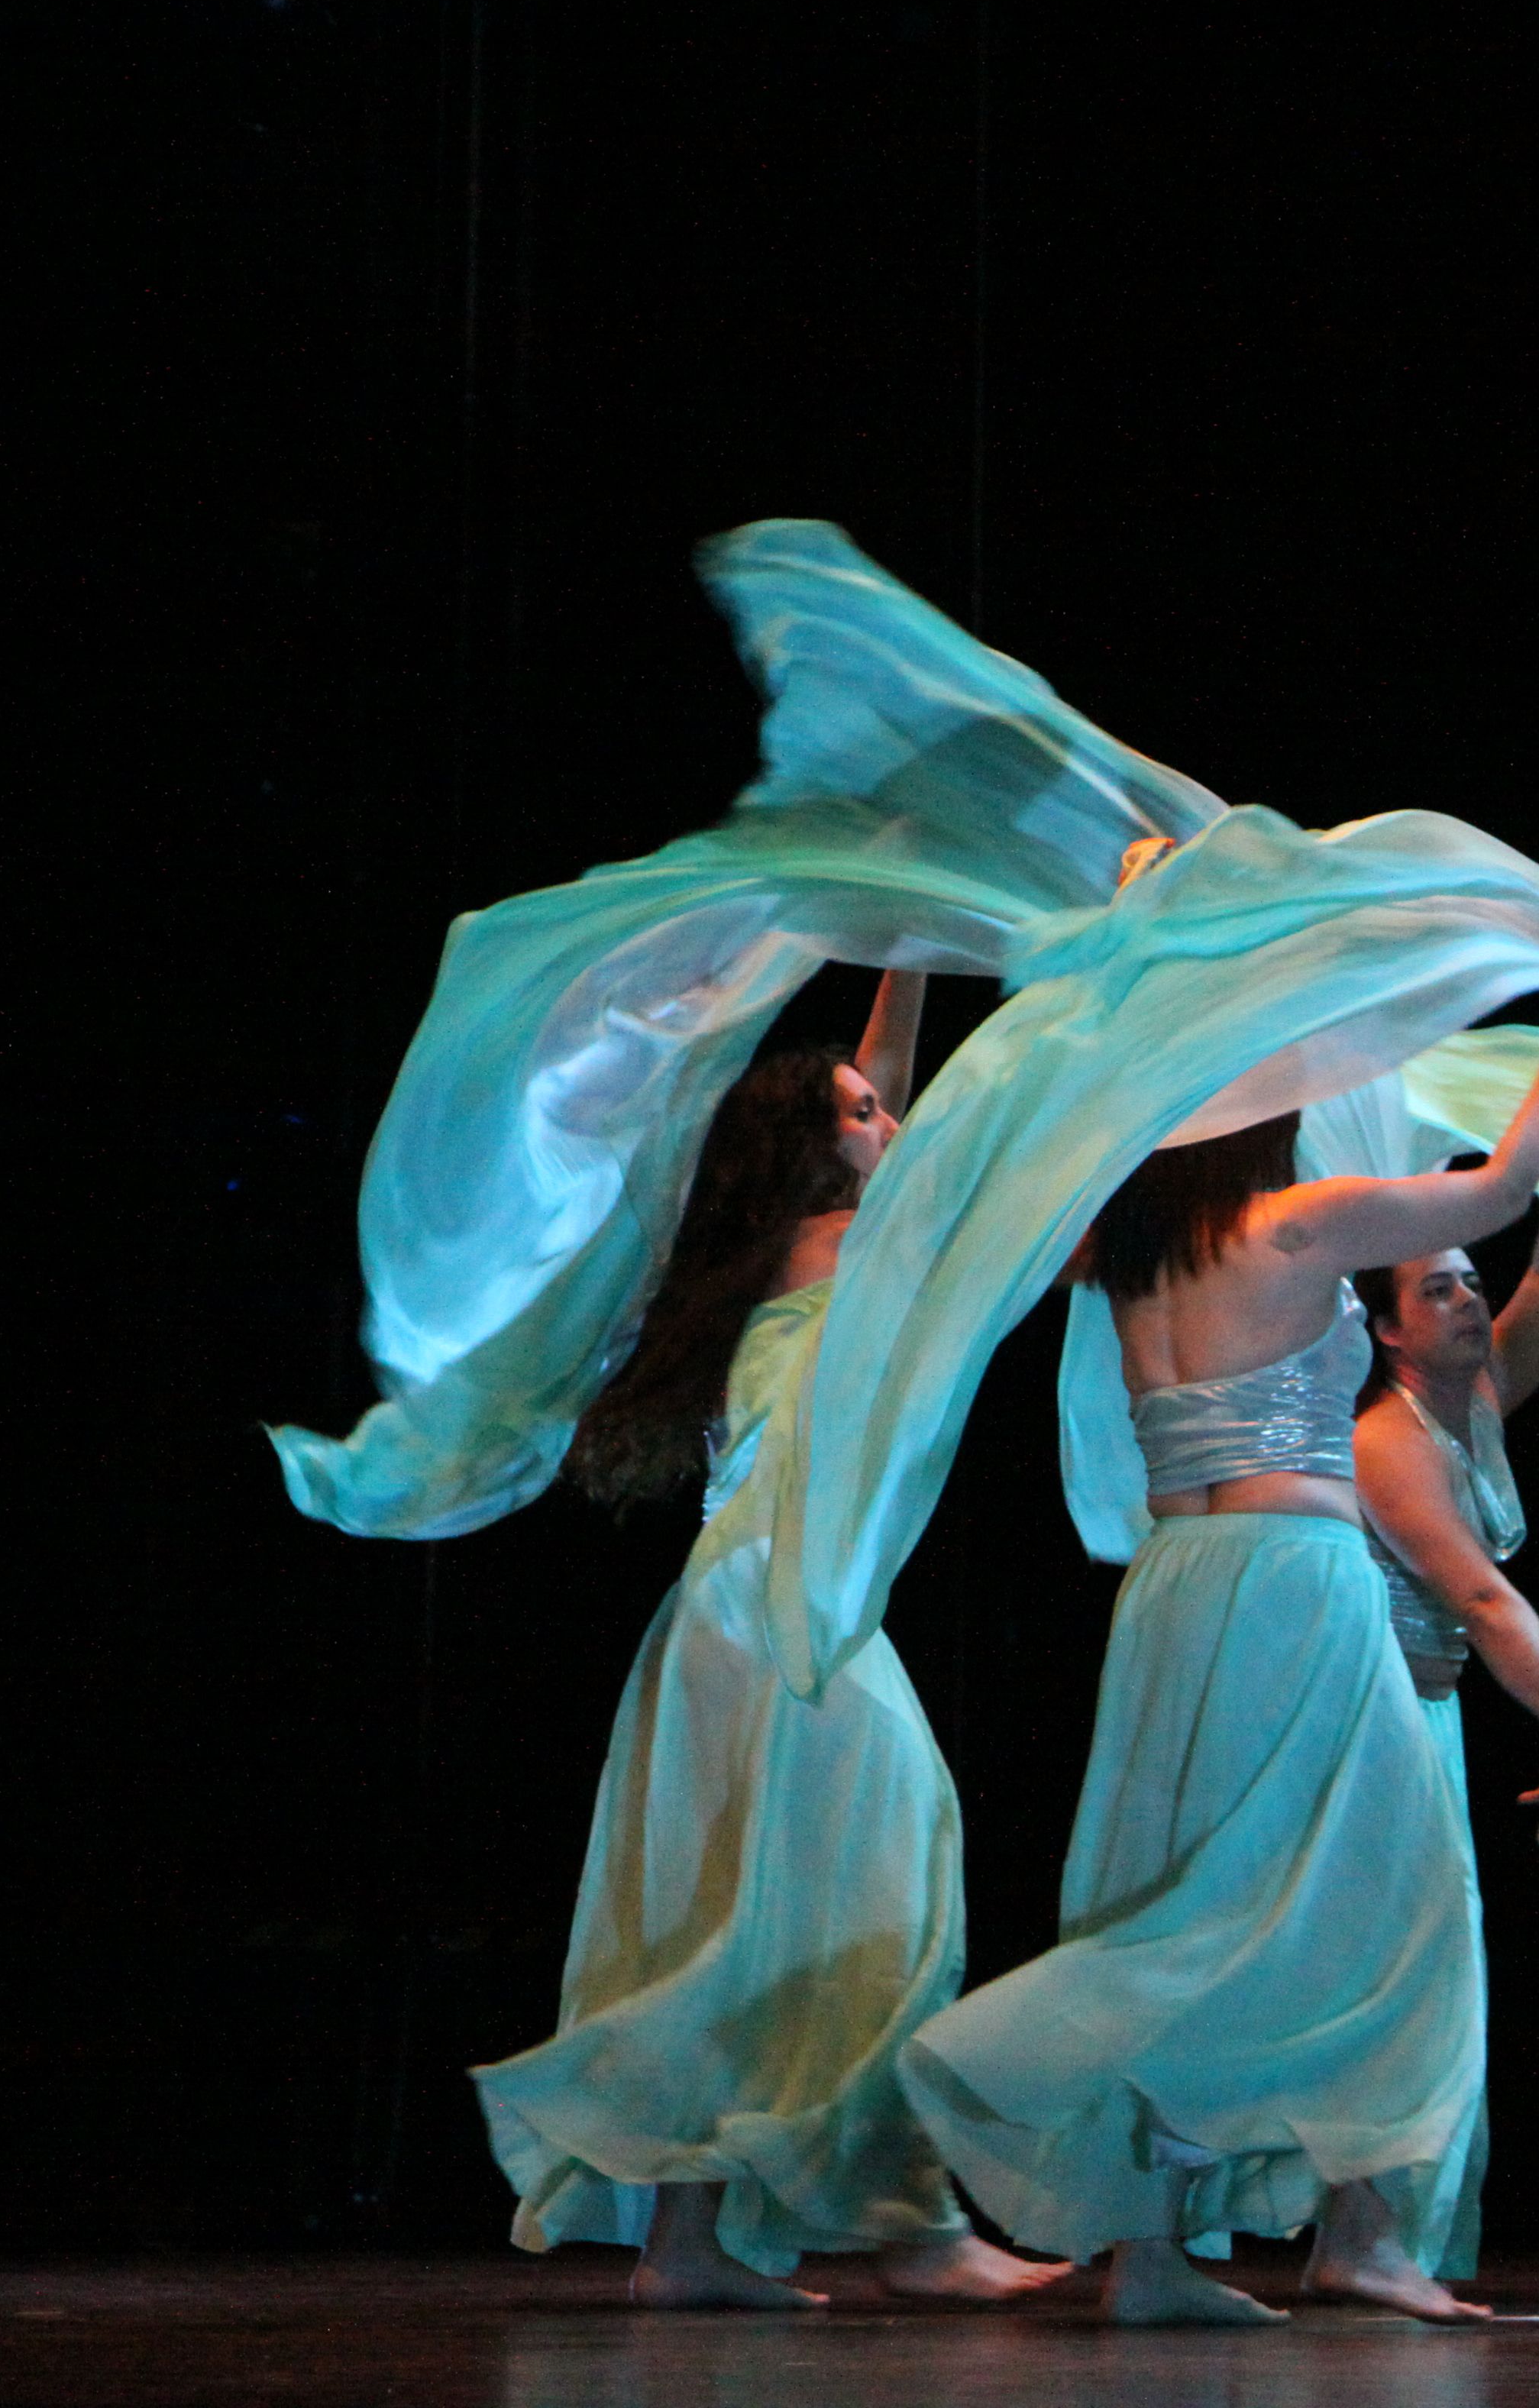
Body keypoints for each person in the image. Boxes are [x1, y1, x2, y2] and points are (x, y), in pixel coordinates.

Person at [897, 949, 1539, 2327]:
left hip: (1175, 1588)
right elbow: (1492, 1189)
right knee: (1393, 1898)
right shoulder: (1294, 1226)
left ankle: (1159, 2256)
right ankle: (1351, 2231)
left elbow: (991, 1192)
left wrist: (1109, 1007)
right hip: (1294, 1582)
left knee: (1179, 1885)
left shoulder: (1120, 1252)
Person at [471, 971, 1067, 2310]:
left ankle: (684, 2247)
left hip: (730, 1605)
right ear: (816, 1155)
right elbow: (955, 1159)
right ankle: (914, 2231)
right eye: (863, 1117)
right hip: (780, 1605)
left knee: (738, 1912)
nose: (886, 1121)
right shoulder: (855, 1243)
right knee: (889, 1878)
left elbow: (885, 1094)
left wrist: (906, 953)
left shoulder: (786, 1251)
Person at [1343, 1215, 1539, 2274]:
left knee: (1437, 1971)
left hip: (1429, 1717)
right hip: (1372, 1730)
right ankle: (1378, 2240)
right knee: (1403, 1974)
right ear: (1390, 1334)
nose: (1466, 1302)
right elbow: (1484, 1599)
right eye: (1436, 1291)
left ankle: (1398, 2241)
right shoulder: (1390, 1438)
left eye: (1467, 1284)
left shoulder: (1479, 1397)